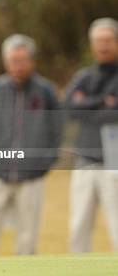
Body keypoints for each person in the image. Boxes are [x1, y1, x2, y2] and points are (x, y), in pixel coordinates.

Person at [0, 34, 61, 257]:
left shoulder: (46, 91)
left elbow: (56, 130)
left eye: (22, 60)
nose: (18, 65)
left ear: (32, 61)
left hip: (32, 177)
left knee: (27, 236)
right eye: (13, 60)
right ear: (6, 61)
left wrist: (44, 163)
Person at [66, 17, 118, 252]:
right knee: (79, 226)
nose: (103, 46)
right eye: (98, 41)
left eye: (108, 40)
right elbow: (68, 107)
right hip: (85, 161)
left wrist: (86, 105)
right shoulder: (84, 76)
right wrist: (102, 103)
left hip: (114, 163)